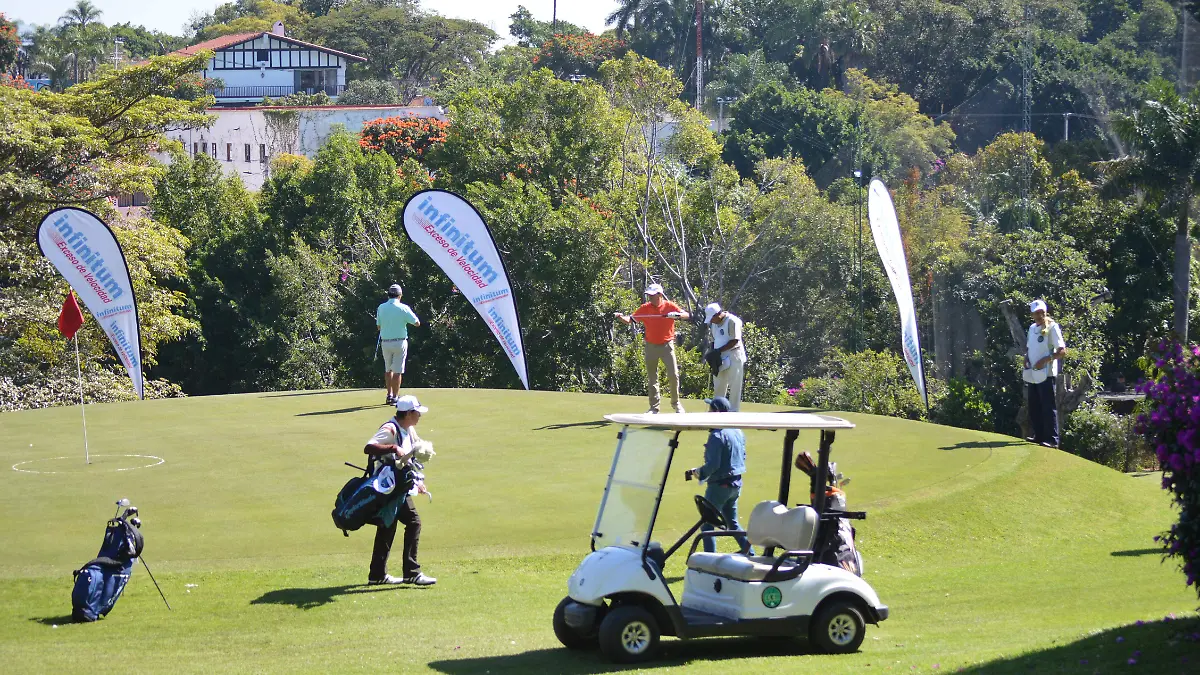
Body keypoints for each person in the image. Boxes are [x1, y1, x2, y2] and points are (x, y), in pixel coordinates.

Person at [363, 395, 436, 586]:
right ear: (409, 413)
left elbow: (411, 458)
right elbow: (369, 447)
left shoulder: (409, 429)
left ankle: (377, 575)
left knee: (388, 527)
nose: (419, 416)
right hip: (389, 486)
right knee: (414, 522)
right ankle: (411, 572)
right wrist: (394, 447)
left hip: (398, 485)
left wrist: (418, 481)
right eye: (417, 412)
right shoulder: (390, 428)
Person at [687, 396, 752, 554]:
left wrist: (700, 473)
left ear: (716, 411)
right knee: (732, 522)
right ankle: (749, 553)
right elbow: (742, 457)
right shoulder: (738, 432)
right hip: (736, 485)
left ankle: (710, 559)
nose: (708, 412)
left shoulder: (716, 436)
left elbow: (714, 465)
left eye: (710, 409)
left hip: (719, 487)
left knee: (707, 524)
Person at [614, 283, 691, 414]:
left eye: (652, 295)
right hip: (651, 346)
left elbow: (687, 315)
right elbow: (630, 320)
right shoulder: (645, 308)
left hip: (667, 345)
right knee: (652, 378)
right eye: (649, 295)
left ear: (660, 295)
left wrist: (676, 315)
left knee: (673, 375)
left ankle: (676, 404)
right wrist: (620, 317)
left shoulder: (669, 306)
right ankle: (654, 408)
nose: (649, 298)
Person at [1024, 299, 1067, 448]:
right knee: (1034, 405)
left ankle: (1052, 439)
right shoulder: (1031, 328)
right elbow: (1029, 347)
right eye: (1036, 313)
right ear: (1032, 314)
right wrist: (1026, 359)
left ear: (1045, 312)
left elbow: (1062, 351)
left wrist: (1046, 360)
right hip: (1033, 373)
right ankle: (1039, 436)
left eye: (1041, 312)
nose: (1039, 315)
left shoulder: (1053, 327)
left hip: (1047, 373)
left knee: (1048, 407)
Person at [376, 284, 420, 405]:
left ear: (389, 295)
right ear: (400, 295)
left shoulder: (381, 307)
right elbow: (417, 323)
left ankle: (389, 395)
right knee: (397, 371)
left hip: (385, 342)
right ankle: (395, 397)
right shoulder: (403, 308)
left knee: (388, 369)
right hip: (400, 342)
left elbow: (378, 326)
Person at [704, 303, 747, 411]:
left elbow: (734, 341)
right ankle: (716, 410)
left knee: (735, 386)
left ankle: (733, 412)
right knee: (719, 385)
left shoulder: (732, 321)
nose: (711, 321)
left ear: (717, 314)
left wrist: (718, 351)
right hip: (720, 356)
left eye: (712, 318)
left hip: (734, 354)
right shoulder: (714, 324)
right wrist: (712, 352)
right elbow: (714, 340)